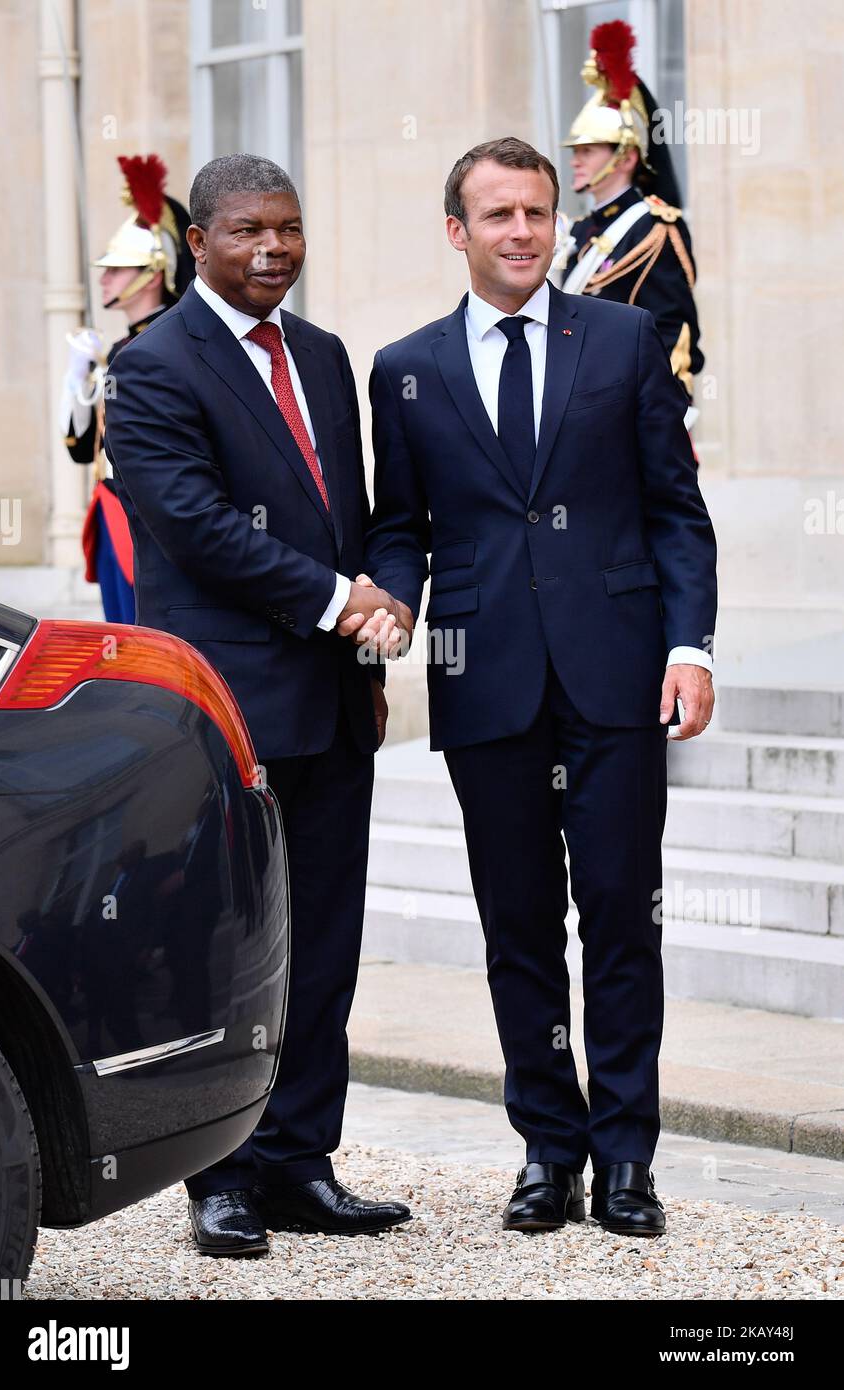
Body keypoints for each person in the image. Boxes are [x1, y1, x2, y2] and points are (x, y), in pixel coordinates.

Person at [344, 137, 717, 1236]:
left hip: (614, 676)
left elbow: (672, 511)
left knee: (618, 918)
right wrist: (391, 605)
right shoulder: (404, 368)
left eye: (536, 213)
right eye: (497, 215)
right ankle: (546, 1151)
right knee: (516, 925)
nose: (521, 232)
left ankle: (626, 1159)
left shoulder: (623, 337)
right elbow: (397, 525)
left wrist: (688, 647)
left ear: (555, 223)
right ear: (455, 232)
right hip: (483, 679)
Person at [104, 153, 413, 1258]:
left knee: (324, 942)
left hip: (333, 705)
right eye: (246, 230)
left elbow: (354, 515)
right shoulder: (150, 366)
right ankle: (218, 1174)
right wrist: (341, 600)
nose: (272, 248)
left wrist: (376, 628)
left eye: (287, 227)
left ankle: (298, 1161)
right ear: (197, 240)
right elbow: (193, 525)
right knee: (226, 945)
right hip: (225, 709)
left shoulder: (324, 358)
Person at [60, 154, 195, 621]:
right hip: (110, 512)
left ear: (152, 273)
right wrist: (75, 379)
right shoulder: (117, 348)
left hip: (147, 520)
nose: (104, 278)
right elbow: (80, 449)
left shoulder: (167, 345)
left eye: (116, 269)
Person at [555, 20, 703, 415]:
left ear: (626, 156)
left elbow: (673, 334)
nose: (576, 160)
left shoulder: (654, 229)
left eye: (589, 150)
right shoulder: (582, 230)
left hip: (625, 408)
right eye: (576, 150)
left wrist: (666, 419)